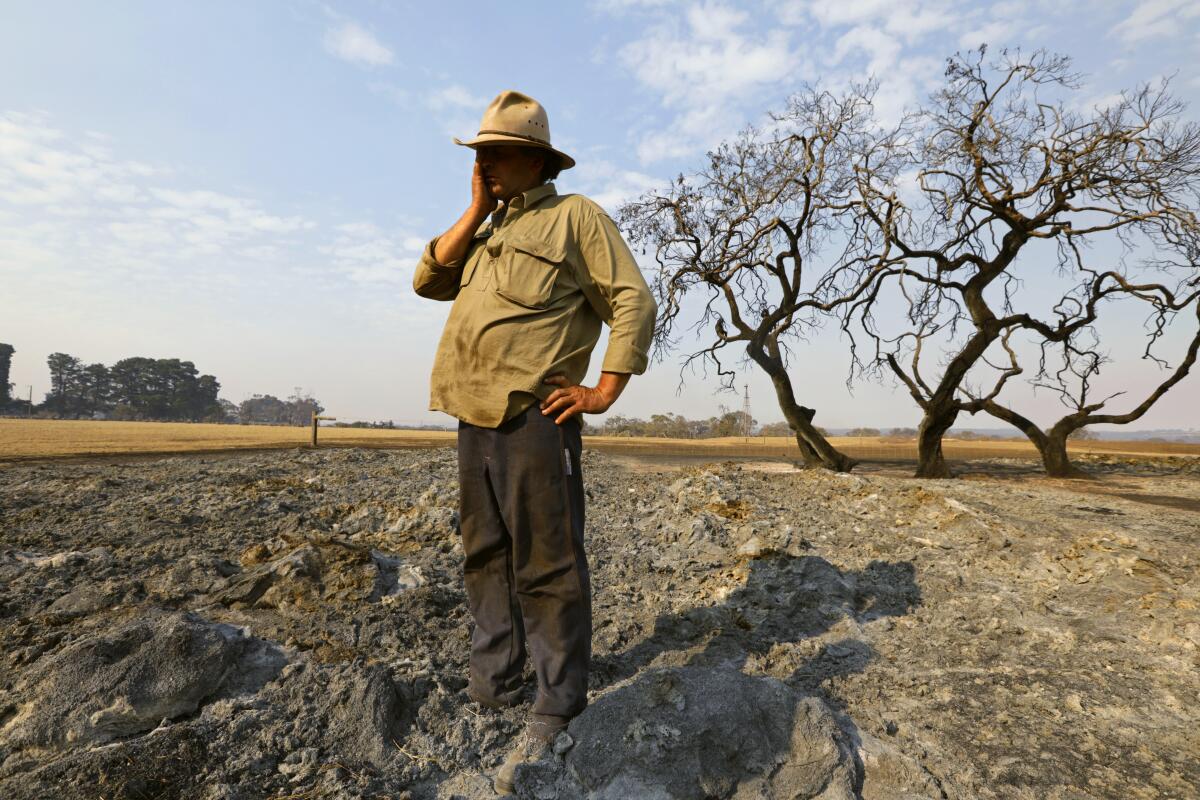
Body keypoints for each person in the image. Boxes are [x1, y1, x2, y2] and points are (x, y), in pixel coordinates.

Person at [411, 90, 656, 794]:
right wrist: (475, 209)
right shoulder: (487, 229)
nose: (484, 162)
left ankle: (556, 697)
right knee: (484, 553)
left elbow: (632, 298)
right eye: (478, 152)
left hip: (532, 418)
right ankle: (496, 679)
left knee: (547, 562)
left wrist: (605, 388)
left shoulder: (575, 217)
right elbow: (429, 279)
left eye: (496, 152)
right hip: (473, 415)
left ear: (534, 159)